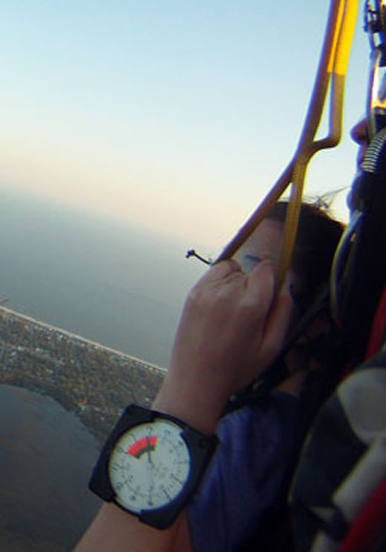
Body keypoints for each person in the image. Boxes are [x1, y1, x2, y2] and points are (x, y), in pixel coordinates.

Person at [75, 201, 344, 552]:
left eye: (251, 276)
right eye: (227, 266)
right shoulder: (293, 411)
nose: (222, 292)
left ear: (315, 322)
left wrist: (188, 392)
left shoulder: (260, 435)